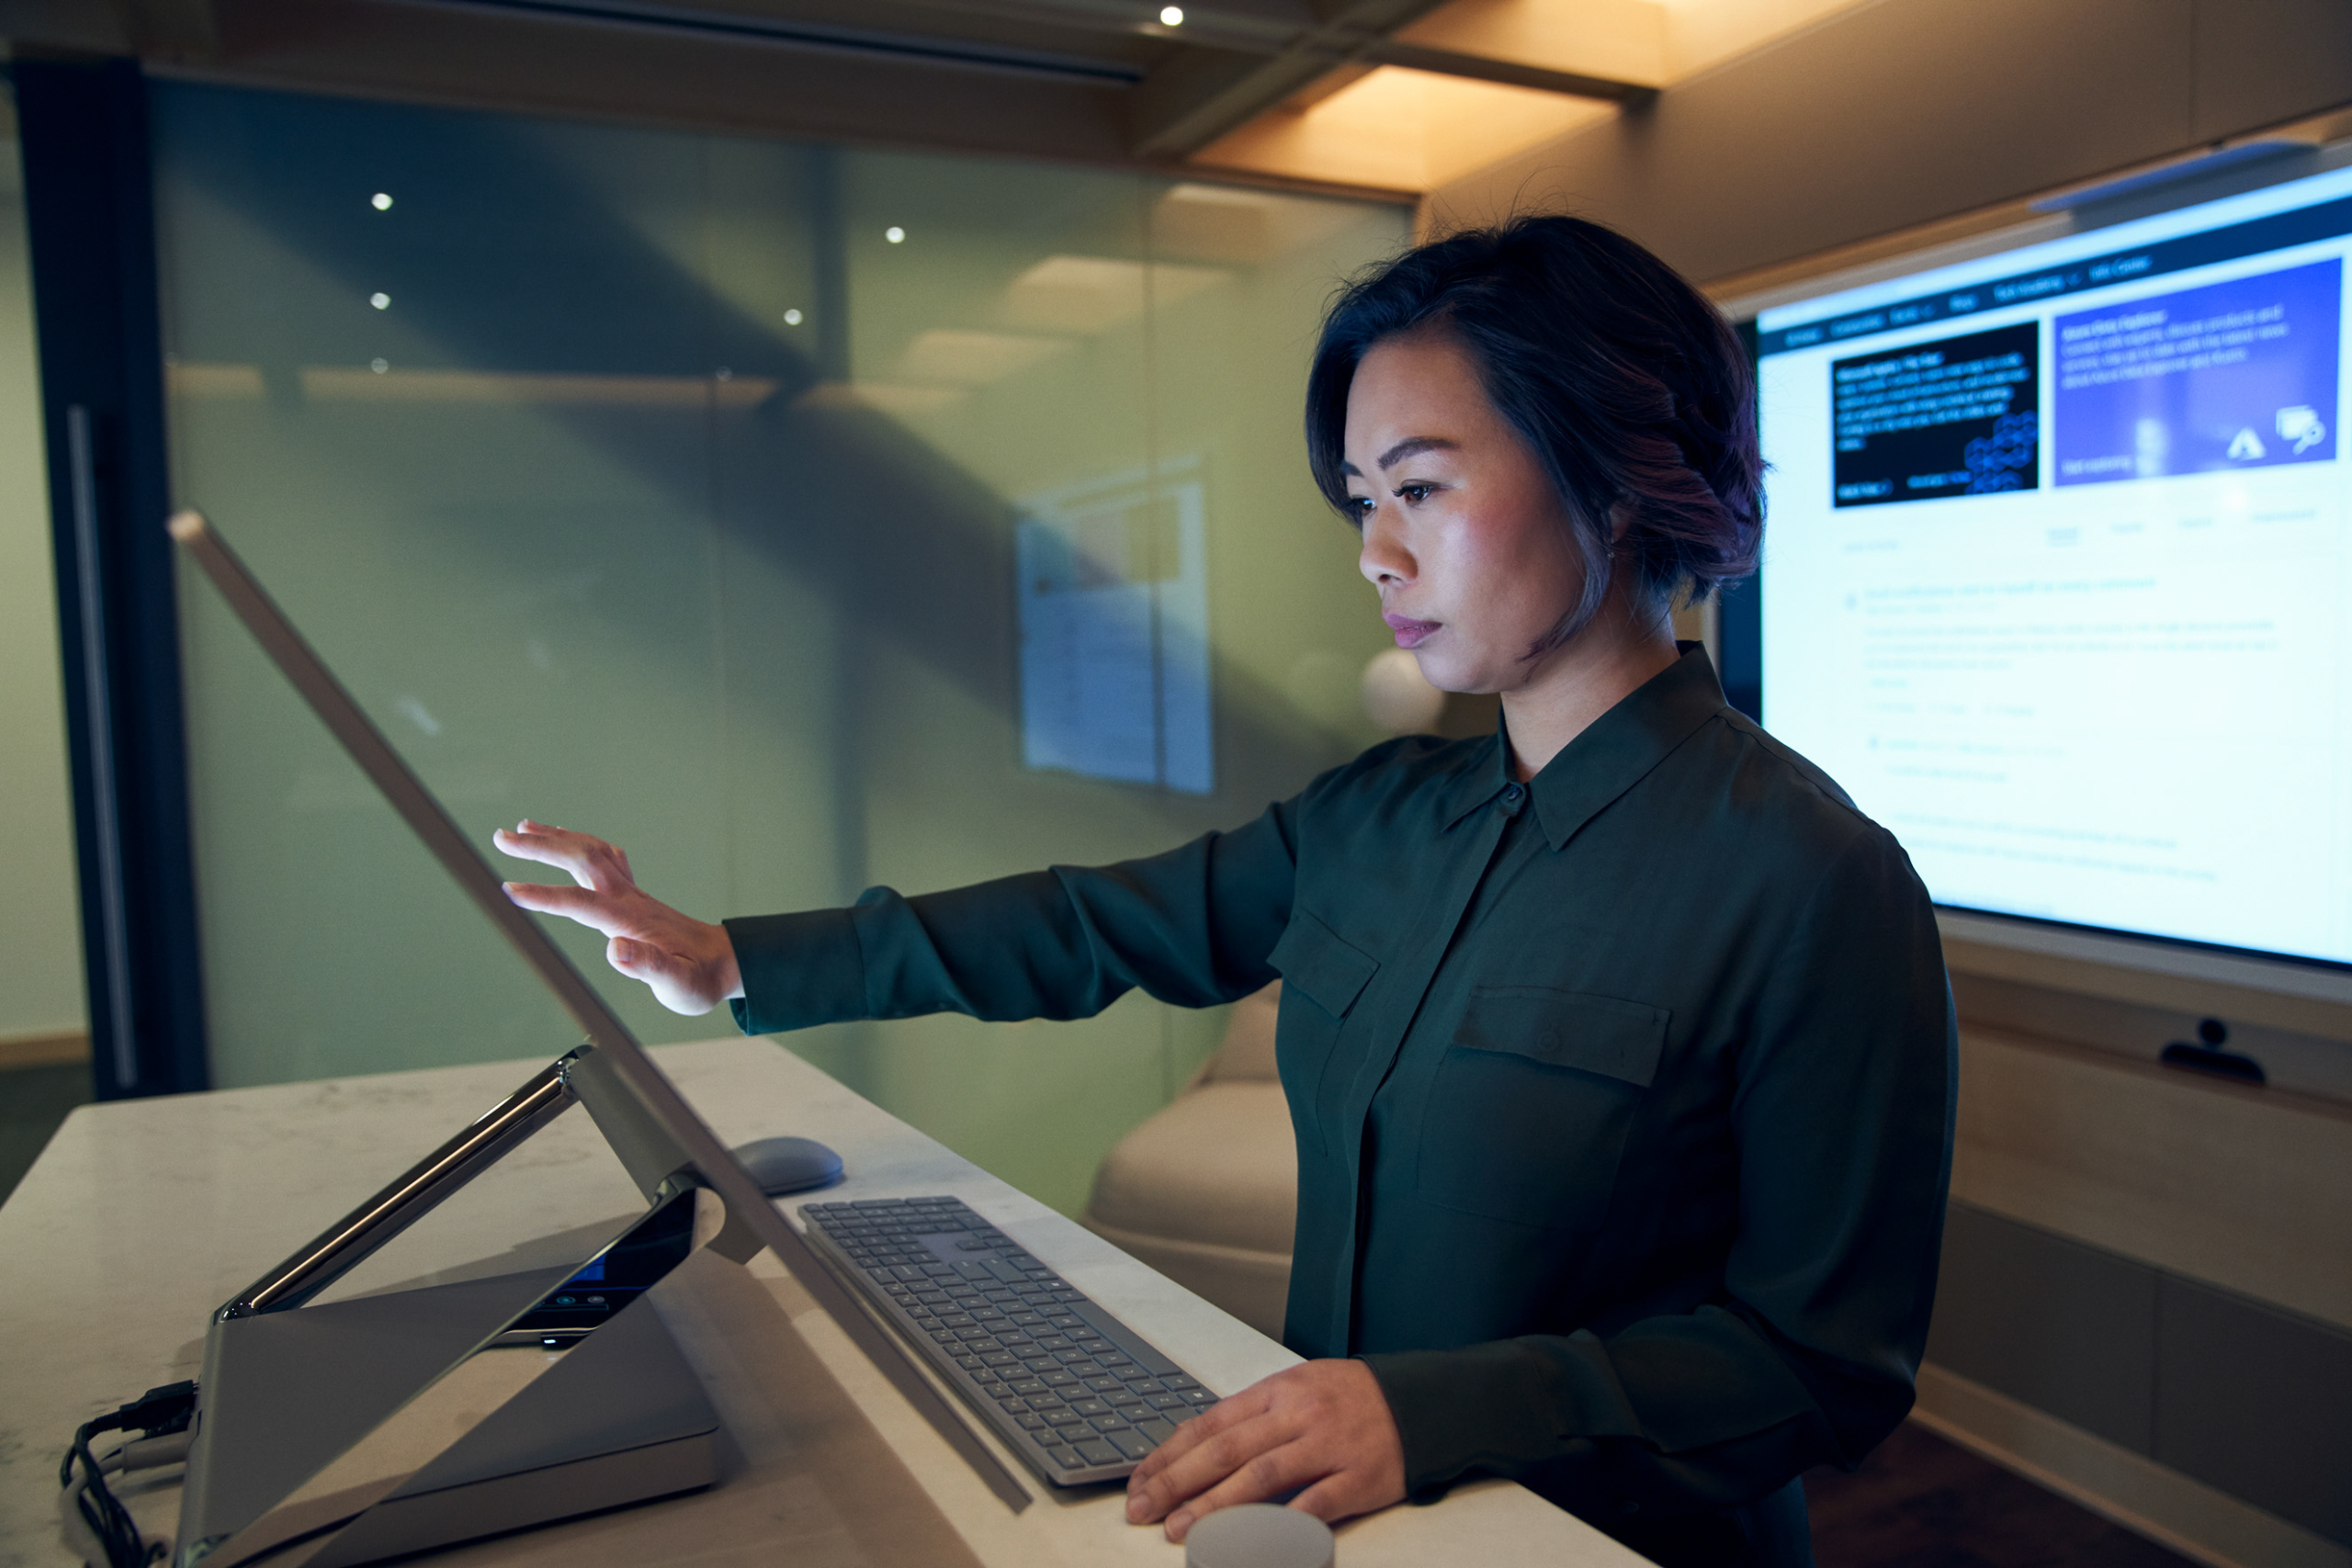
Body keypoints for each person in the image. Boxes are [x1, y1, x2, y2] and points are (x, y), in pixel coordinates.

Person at [497, 214, 1956, 1568]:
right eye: (1363, 501)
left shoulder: (1815, 881)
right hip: (1336, 1526)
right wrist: (732, 958)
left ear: (1617, 473)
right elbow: (1087, 924)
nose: (1377, 554)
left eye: (1425, 490)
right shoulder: (1382, 815)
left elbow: (1816, 1366)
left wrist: (1434, 1414)